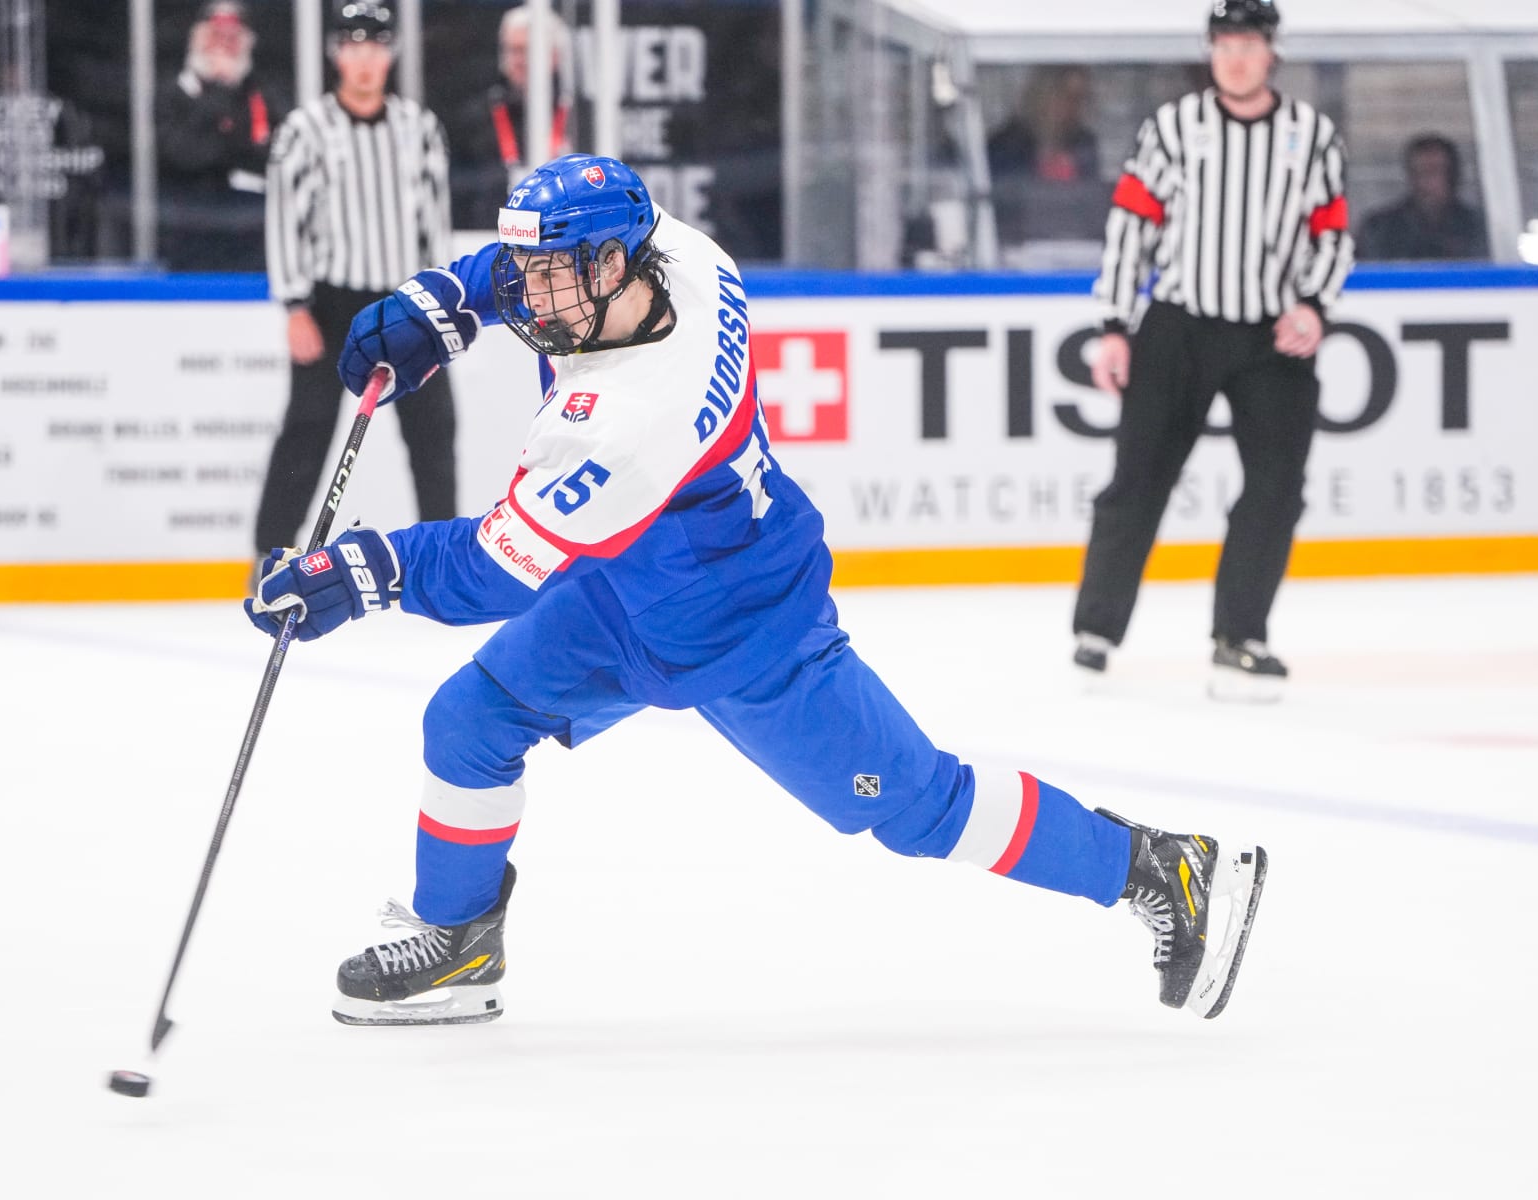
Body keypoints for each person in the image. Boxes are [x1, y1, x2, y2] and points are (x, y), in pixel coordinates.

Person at [239, 152, 1270, 1028]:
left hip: (745, 625)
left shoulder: (629, 418)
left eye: (548, 278)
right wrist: (448, 304)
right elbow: (512, 278)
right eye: (524, 272)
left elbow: (491, 569)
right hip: (629, 583)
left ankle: (1155, 867)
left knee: (921, 807)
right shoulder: (677, 254)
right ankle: (460, 938)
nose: (529, 296)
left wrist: (354, 573)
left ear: (610, 267)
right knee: (470, 718)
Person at [1073, 0, 1355, 701]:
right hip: (1180, 325)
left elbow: (1333, 233)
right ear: (1209, 50)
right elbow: (1130, 227)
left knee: (1277, 486)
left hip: (1271, 333)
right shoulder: (1174, 128)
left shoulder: (1310, 135)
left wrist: (1314, 305)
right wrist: (1114, 323)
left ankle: (1240, 636)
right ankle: (1097, 630)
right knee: (1138, 479)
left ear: (1271, 53)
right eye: (1224, 42)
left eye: (1249, 43)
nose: (1235, 56)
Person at [256, 0, 457, 574]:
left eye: (375, 47)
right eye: (353, 46)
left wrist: (440, 311)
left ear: (390, 53)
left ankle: (438, 552)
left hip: (406, 302)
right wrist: (294, 305)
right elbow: (285, 221)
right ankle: (272, 550)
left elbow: (433, 228)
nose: (364, 60)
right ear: (335, 53)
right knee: (307, 428)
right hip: (333, 301)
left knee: (433, 429)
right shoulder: (305, 130)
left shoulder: (419, 129)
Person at [156, 1, 284, 272]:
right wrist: (217, 96)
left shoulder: (261, 95)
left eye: (233, 38)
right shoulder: (172, 94)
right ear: (197, 40)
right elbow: (181, 156)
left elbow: (272, 157)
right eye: (215, 36)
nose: (223, 46)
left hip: (252, 227)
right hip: (187, 226)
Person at [453, 5, 573, 230]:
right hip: (490, 237)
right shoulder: (477, 117)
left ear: (555, 55)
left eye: (528, 51)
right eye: (513, 50)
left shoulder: (577, 117)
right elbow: (460, 186)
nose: (519, 60)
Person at [986, 65, 1104, 245]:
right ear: (1041, 96)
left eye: (1080, 100)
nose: (1073, 108)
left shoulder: (1084, 144)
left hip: (1078, 246)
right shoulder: (1004, 146)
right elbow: (998, 203)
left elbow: (1093, 206)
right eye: (1067, 98)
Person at [1356, 134, 1489, 262]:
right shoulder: (1381, 229)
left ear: (1453, 176)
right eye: (1420, 172)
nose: (1426, 182)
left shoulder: (1476, 227)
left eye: (1434, 171)